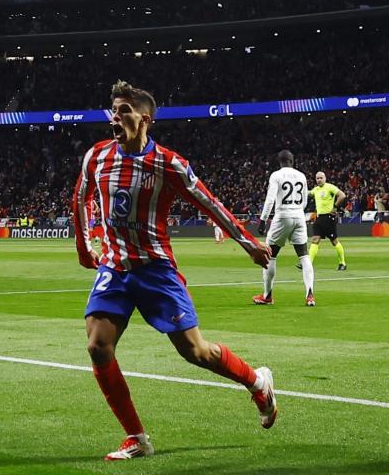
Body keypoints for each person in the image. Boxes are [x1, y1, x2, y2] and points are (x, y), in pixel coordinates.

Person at [71, 80, 278, 461]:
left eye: (125, 111)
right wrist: (85, 245)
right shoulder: (96, 156)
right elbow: (81, 196)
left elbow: (210, 203)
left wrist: (248, 242)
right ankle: (136, 437)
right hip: (114, 267)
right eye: (113, 110)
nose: (115, 117)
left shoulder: (168, 164)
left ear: (145, 119)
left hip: (156, 270)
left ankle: (257, 381)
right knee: (98, 347)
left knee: (195, 352)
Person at [253, 149, 315, 307]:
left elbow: (270, 198)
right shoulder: (301, 176)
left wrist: (263, 220)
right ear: (293, 161)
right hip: (299, 216)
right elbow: (305, 200)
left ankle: (267, 296)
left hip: (282, 216)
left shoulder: (276, 175)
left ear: (279, 162)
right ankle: (310, 295)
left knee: (270, 256)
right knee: (304, 255)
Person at [307, 171, 348, 271]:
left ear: (325, 178)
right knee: (315, 239)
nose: (319, 180)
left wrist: (335, 207)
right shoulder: (316, 189)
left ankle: (342, 263)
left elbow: (342, 195)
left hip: (329, 218)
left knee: (334, 241)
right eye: (317, 178)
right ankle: (308, 264)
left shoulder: (330, 187)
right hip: (319, 218)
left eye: (321, 178)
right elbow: (308, 194)